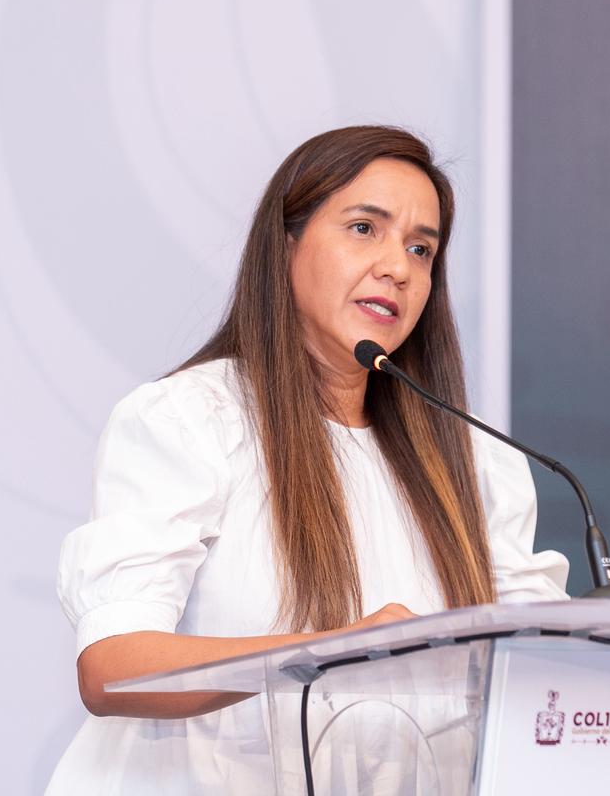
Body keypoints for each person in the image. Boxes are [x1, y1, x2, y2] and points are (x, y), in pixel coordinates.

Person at [46, 126, 569, 794]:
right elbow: (113, 668)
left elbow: (538, 670)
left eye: (421, 248)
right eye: (364, 228)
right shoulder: (191, 420)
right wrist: (333, 653)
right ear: (286, 243)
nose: (398, 267)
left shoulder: (474, 463)